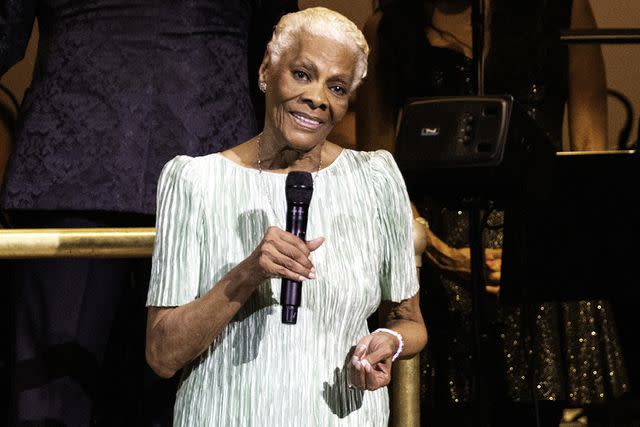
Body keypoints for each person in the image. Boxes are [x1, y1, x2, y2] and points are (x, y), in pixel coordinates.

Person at [1, 1, 296, 425]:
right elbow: (281, 45)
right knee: (195, 391)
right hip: (208, 150)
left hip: (77, 159)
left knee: (54, 393)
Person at [144, 7, 428, 426]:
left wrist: (388, 341)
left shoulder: (376, 179)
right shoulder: (195, 181)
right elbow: (161, 354)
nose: (317, 97)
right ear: (265, 71)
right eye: (302, 74)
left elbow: (409, 323)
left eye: (337, 86)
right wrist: (246, 274)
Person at [356, 0, 628, 425]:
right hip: (435, 268)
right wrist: (440, 252)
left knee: (531, 413)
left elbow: (588, 146)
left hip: (536, 253)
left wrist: (543, 252)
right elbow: (378, 163)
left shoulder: (563, 10)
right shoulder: (390, 26)